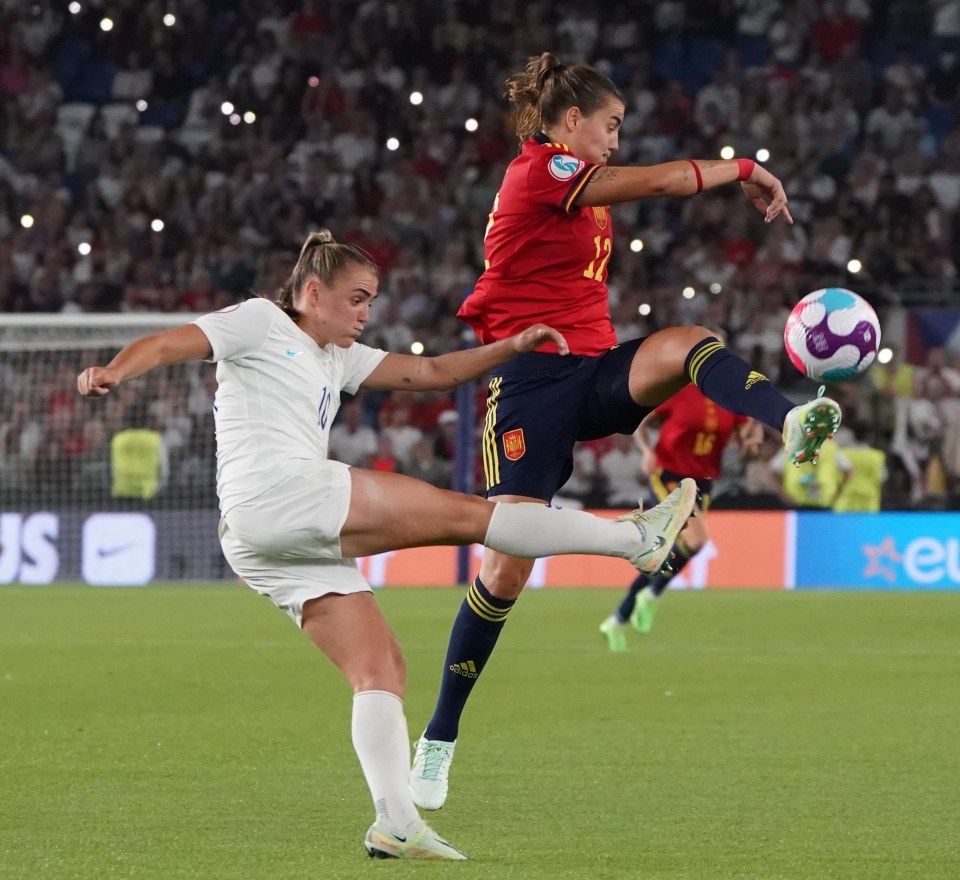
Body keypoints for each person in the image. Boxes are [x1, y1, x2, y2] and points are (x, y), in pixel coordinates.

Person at [76, 230, 698, 862]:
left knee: (380, 669)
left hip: (258, 539)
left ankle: (395, 824)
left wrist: (508, 347)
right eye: (356, 299)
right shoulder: (261, 321)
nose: (366, 314)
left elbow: (429, 373)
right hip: (280, 493)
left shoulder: (335, 357)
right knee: (472, 516)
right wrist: (115, 370)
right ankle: (633, 539)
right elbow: (170, 342)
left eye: (371, 301)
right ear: (313, 293)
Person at [409, 52, 842, 812]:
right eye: (609, 126)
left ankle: (793, 414)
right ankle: (439, 737)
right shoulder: (536, 172)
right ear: (570, 123)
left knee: (688, 340)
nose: (614, 141)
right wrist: (744, 167)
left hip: (593, 371)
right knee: (506, 567)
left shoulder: (578, 186)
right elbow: (667, 180)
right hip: (528, 387)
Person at [598, 383, 763, 651]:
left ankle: (617, 619)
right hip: (670, 475)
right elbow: (640, 420)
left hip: (704, 483)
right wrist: (647, 451)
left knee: (668, 553)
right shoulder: (679, 392)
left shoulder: (730, 398)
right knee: (697, 540)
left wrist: (753, 442)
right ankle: (652, 595)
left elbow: (748, 448)